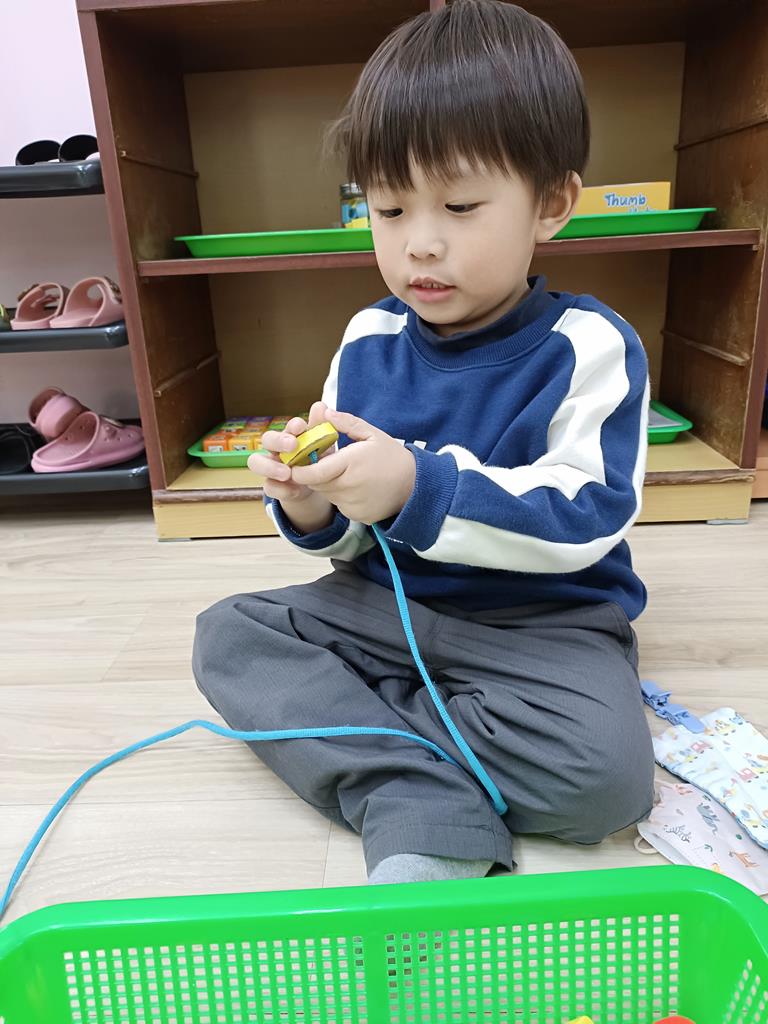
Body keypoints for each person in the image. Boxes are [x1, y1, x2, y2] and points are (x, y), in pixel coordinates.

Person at [193, 0, 655, 885]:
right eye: (389, 208)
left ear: (552, 204)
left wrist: (417, 486)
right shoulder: (366, 338)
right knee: (229, 637)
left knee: (606, 784)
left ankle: (387, 741)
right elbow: (350, 536)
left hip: (541, 625)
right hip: (383, 608)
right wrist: (315, 507)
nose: (420, 245)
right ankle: (422, 792)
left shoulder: (589, 345)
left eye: (461, 205)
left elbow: (588, 515)